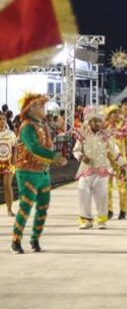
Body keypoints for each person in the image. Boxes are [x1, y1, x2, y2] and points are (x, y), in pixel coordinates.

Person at [10, 93, 67, 254]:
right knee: (26, 205)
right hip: (27, 172)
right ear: (31, 109)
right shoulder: (27, 126)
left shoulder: (42, 125)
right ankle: (16, 239)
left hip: (42, 172)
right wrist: (55, 157)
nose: (44, 108)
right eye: (40, 106)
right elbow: (33, 148)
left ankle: (35, 239)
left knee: (43, 207)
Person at [73, 107, 121, 230]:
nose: (98, 123)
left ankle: (101, 220)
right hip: (86, 169)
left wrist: (122, 164)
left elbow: (115, 151)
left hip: (102, 170)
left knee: (102, 195)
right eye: (94, 121)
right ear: (89, 122)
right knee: (83, 191)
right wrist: (81, 157)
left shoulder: (106, 136)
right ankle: (86, 220)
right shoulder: (83, 136)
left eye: (99, 121)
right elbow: (76, 150)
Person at [105, 105, 127, 220]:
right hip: (107, 161)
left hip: (121, 162)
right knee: (107, 186)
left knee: (122, 186)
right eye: (113, 113)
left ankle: (123, 209)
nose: (116, 115)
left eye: (118, 112)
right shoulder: (104, 128)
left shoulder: (124, 128)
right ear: (109, 115)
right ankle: (109, 209)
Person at [0, 113, 17, 216]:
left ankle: (9, 209)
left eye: (3, 119)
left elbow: (15, 146)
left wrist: (14, 158)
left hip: (8, 163)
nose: (2, 121)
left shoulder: (10, 134)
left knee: (7, 185)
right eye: (0, 119)